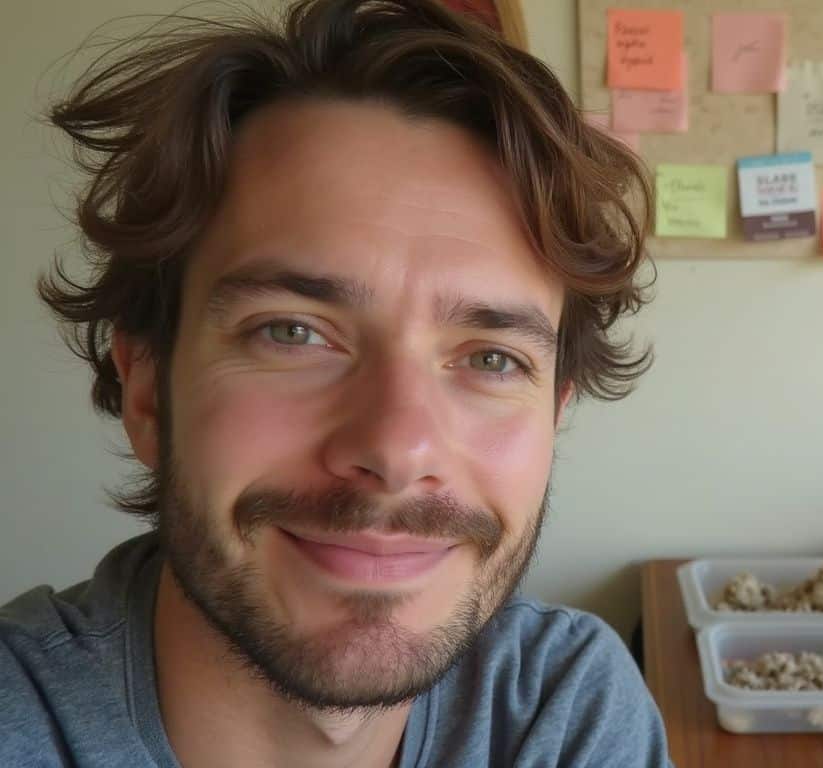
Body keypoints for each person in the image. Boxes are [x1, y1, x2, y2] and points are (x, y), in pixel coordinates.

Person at [0, 0, 670, 765]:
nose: (396, 448)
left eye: (490, 358)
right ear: (147, 390)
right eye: (292, 332)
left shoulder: (563, 708)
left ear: (554, 417)